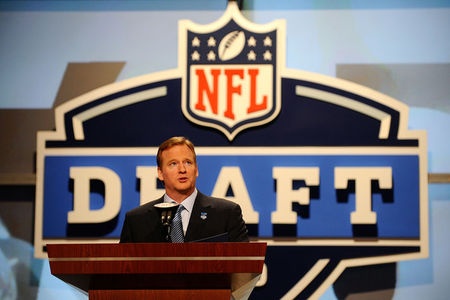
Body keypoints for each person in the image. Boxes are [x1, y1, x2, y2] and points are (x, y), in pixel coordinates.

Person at [120, 136, 249, 243]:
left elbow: (245, 267)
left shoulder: (227, 213)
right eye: (173, 164)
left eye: (188, 162)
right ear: (160, 173)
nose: (182, 170)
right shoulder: (137, 220)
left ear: (196, 169)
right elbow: (123, 270)